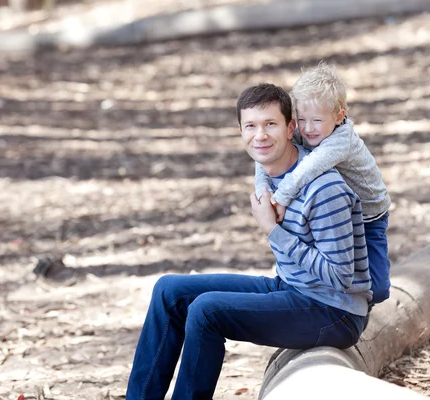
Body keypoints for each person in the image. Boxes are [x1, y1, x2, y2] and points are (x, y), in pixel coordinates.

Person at [125, 83, 372, 400]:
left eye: (271, 124)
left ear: (290, 127)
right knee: (168, 291)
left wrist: (273, 230)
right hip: (293, 288)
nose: (261, 136)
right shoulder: (271, 170)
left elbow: (340, 277)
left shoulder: (324, 190)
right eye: (251, 126)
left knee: (207, 311)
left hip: (334, 312)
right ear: (240, 131)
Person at [254, 62, 391, 306]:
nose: (307, 128)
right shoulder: (307, 129)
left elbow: (308, 169)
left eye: (316, 120)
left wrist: (281, 198)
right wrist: (262, 191)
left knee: (377, 289)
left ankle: (359, 316)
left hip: (370, 216)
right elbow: (266, 153)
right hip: (336, 211)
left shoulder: (340, 140)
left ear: (338, 117)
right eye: (302, 119)